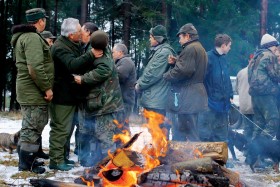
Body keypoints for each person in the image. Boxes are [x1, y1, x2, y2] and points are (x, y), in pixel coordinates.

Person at [49, 18, 98, 171]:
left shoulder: (71, 44)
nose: (81, 33)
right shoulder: (60, 47)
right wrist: (91, 54)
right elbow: (72, 64)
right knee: (60, 129)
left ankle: (62, 157)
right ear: (71, 35)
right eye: (79, 31)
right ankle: (56, 161)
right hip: (62, 96)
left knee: (67, 130)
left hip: (70, 95)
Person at [11, 8, 54, 174]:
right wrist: (47, 88)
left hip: (28, 88)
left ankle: (27, 159)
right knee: (33, 126)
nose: (45, 22)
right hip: (33, 90)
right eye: (44, 19)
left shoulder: (24, 36)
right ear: (41, 20)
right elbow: (35, 67)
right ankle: (26, 164)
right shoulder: (33, 38)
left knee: (30, 124)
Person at [74, 30, 124, 167]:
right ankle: (96, 162)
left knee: (105, 136)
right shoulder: (97, 49)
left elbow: (101, 71)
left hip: (106, 106)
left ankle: (108, 165)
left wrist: (82, 79)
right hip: (99, 103)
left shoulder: (104, 61)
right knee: (93, 133)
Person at [163, 23, 208, 141]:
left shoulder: (190, 49)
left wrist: (166, 75)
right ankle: (182, 156)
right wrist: (177, 61)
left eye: (180, 37)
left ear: (187, 36)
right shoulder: (198, 47)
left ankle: (195, 157)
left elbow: (184, 71)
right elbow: (191, 67)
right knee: (185, 129)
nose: (179, 41)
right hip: (194, 94)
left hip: (189, 95)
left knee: (189, 131)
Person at [135, 25, 175, 139]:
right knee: (154, 131)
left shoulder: (164, 52)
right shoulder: (159, 51)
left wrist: (139, 85)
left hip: (157, 99)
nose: (149, 39)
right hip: (154, 97)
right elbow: (149, 71)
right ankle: (158, 154)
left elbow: (153, 74)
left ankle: (162, 155)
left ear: (157, 38)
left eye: (151, 37)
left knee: (158, 131)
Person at [198, 34, 233, 142]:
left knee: (222, 133)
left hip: (223, 103)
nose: (230, 48)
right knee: (205, 132)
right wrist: (206, 96)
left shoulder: (224, 59)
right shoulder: (207, 57)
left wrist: (230, 94)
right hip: (209, 103)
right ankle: (203, 158)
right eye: (229, 46)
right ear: (223, 45)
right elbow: (201, 79)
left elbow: (227, 79)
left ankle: (219, 158)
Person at [248, 33, 280, 140]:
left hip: (254, 95)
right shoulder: (269, 56)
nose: (276, 48)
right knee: (274, 121)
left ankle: (252, 154)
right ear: (271, 45)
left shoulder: (255, 58)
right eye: (276, 45)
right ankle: (261, 147)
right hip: (267, 94)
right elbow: (276, 75)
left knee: (259, 124)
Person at [112, 43, 136, 130]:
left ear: (120, 52)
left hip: (125, 101)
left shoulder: (126, 61)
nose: (112, 54)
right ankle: (125, 142)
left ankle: (124, 143)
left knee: (121, 126)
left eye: (113, 52)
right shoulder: (121, 62)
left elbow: (120, 75)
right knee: (122, 126)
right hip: (122, 101)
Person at [235, 54, 254, 140]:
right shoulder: (258, 72)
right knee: (256, 129)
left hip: (244, 106)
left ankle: (246, 148)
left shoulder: (240, 73)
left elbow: (237, 89)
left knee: (247, 128)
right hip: (255, 106)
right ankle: (254, 150)